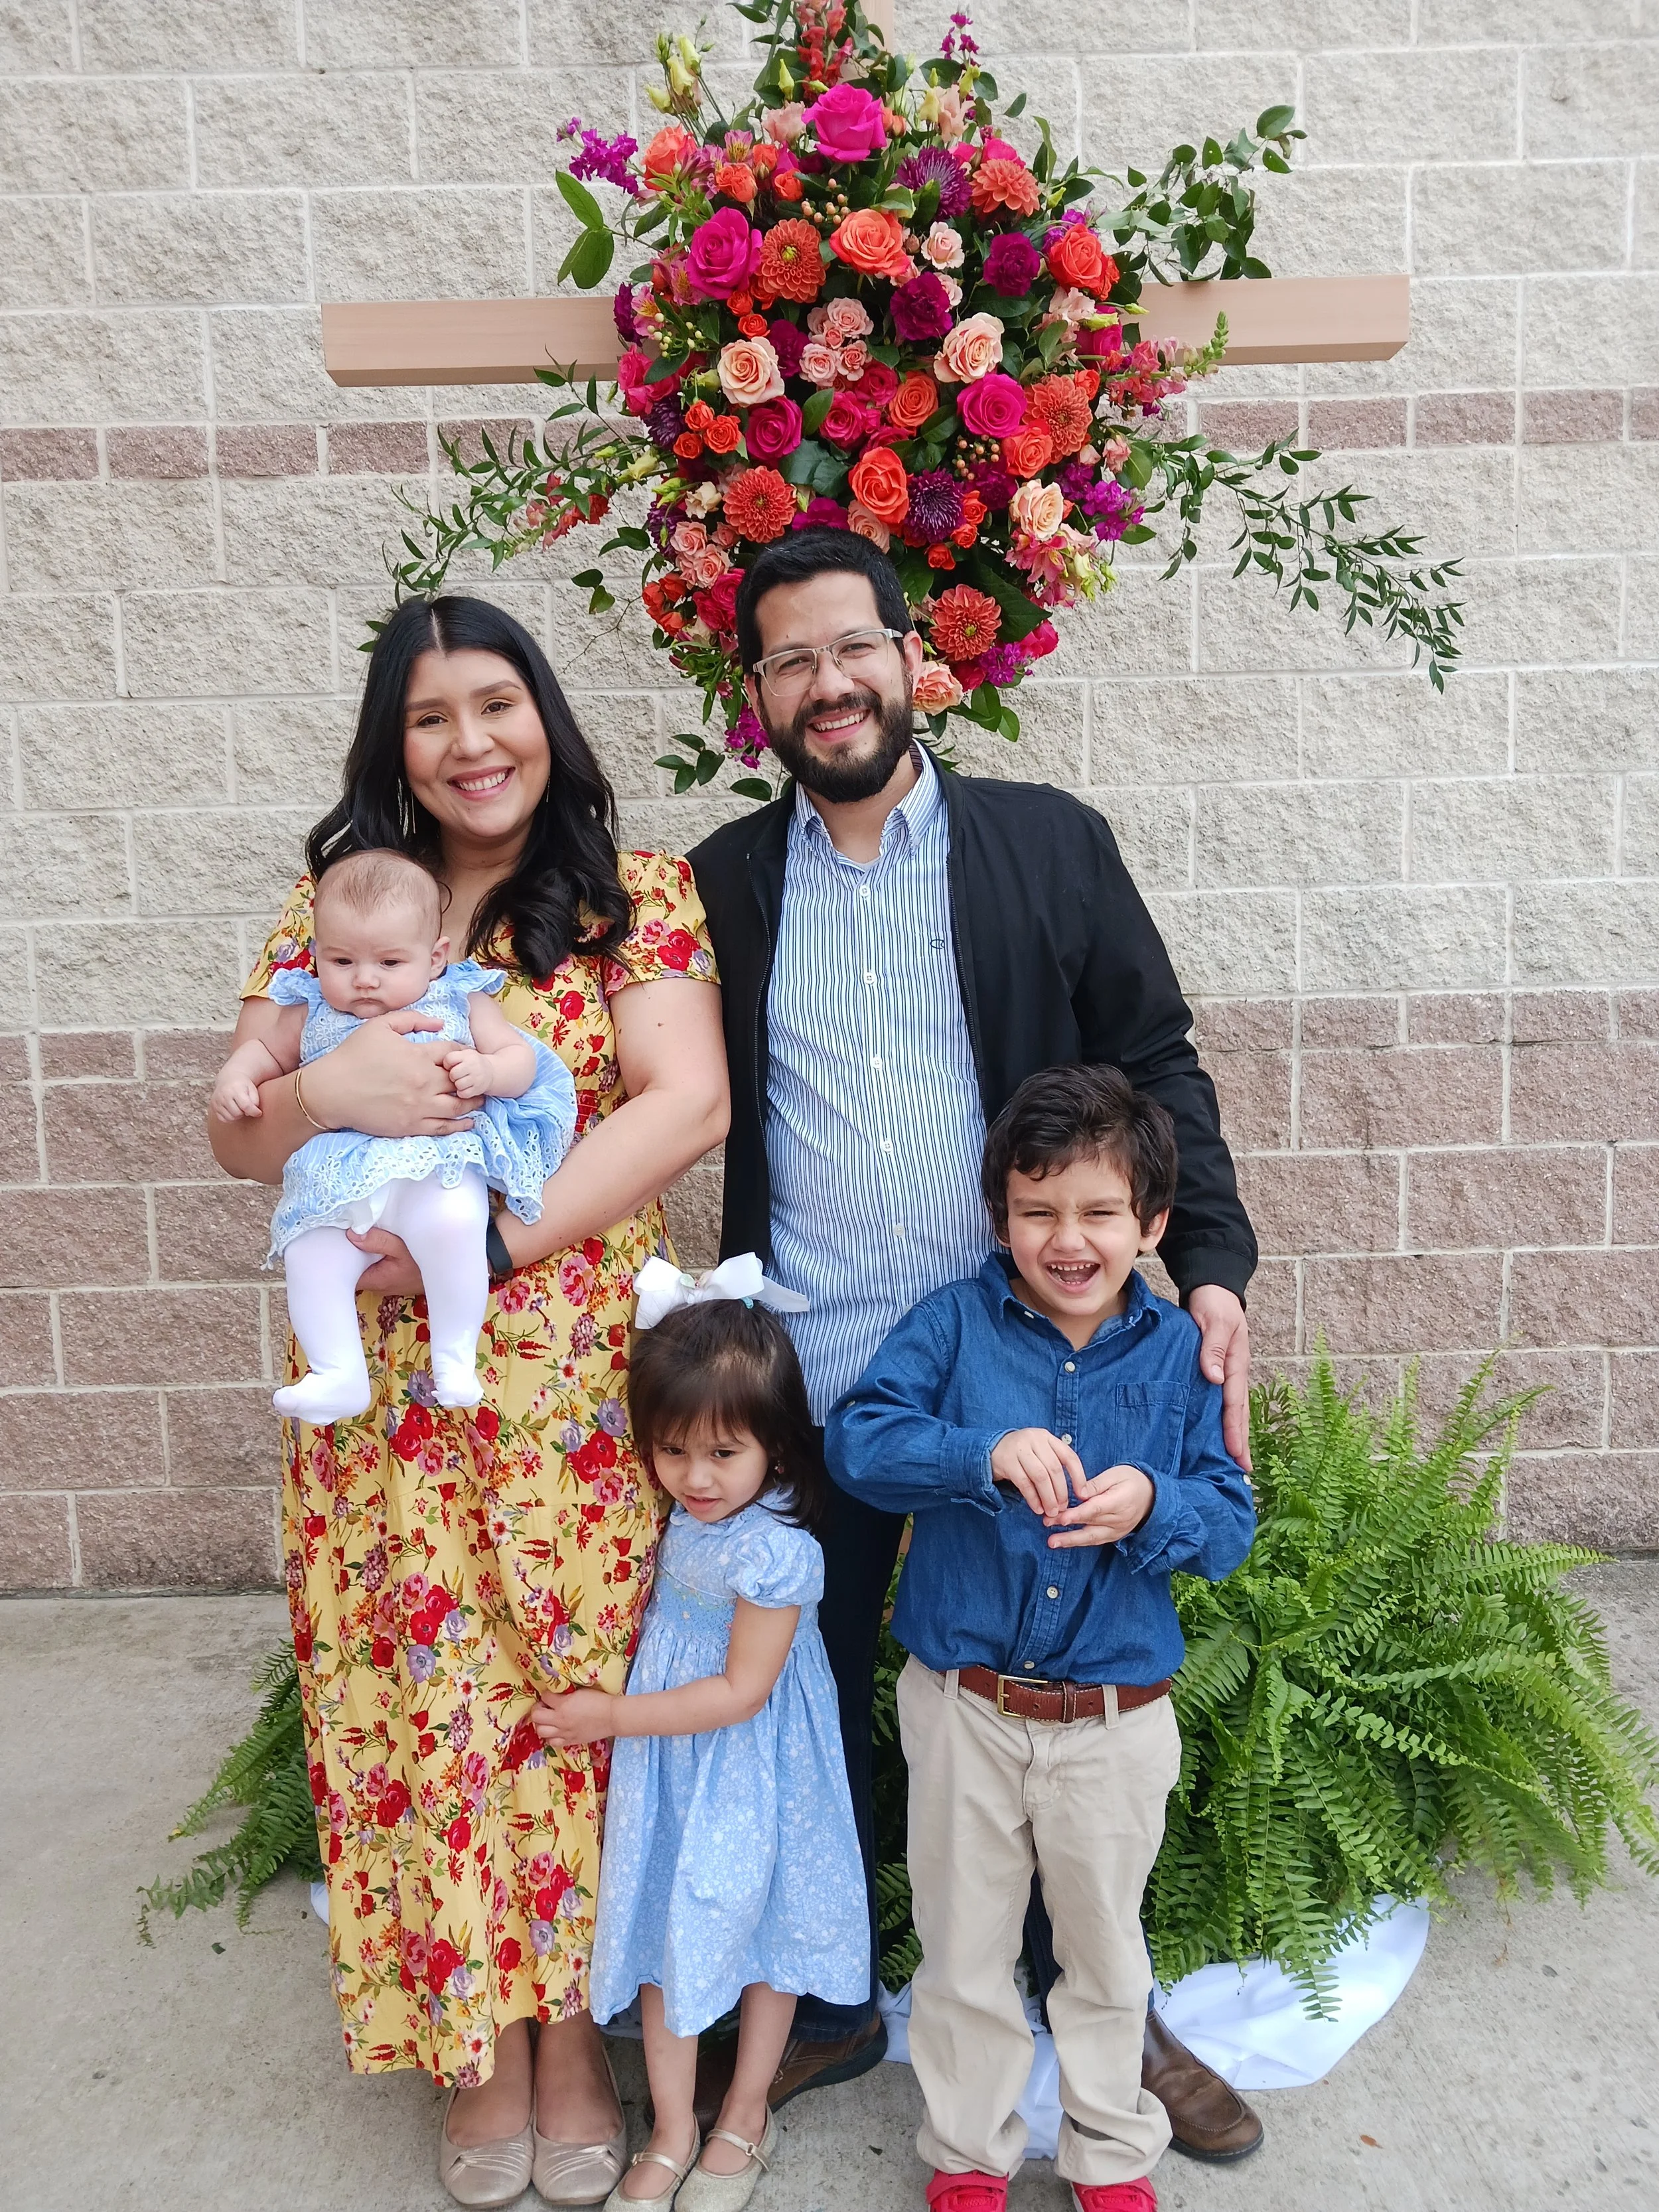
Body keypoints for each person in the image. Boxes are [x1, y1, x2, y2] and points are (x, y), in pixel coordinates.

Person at [685, 528, 1265, 2160]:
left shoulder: (1045, 848)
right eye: (790, 660)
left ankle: (1106, 2009)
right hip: (814, 1390)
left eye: (850, 648)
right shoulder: (725, 883)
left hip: (1027, 1376)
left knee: (1048, 1694)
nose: (828, 684)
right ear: (758, 697)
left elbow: (1155, 1057)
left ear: (912, 658)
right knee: (803, 1697)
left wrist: (1205, 1259)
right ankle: (830, 1995)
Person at [208, 594, 729, 2210]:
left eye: (495, 704)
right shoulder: (334, 910)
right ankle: (474, 2046)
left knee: (565, 1712)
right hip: (380, 1415)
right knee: (420, 1712)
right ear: (397, 747)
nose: (469, 742)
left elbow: (684, 1102)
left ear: (545, 718)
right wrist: (314, 1095)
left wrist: (500, 1241)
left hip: (569, 1395)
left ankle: (573, 2041)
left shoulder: (636, 895)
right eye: (430, 718)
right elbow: (240, 1133)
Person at [826, 1065, 1257, 2212]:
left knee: (1105, 1951)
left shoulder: (1181, 1356)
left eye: (1101, 1212)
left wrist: (1158, 1506)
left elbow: (1229, 1521)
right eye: (1038, 1211)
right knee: (965, 1948)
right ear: (1001, 1215)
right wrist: (979, 1453)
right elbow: (861, 1440)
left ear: (1154, 1225)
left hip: (1115, 1720)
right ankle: (970, 2150)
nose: (1068, 1239)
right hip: (966, 1702)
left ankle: (1110, 2150)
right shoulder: (954, 1325)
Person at [532, 1271, 867, 2212]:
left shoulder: (777, 1549)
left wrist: (608, 1715)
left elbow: (739, 1689)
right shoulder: (677, 1517)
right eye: (672, 1450)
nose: (697, 1475)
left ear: (777, 1444)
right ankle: (674, 2126)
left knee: (763, 1932)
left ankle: (745, 2112)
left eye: (725, 1450)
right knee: (666, 1926)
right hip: (676, 1773)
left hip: (755, 1768)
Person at [211, 847, 577, 1422]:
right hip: (338, 1179)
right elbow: (262, 1051)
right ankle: (337, 1372)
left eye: (388, 962)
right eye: (341, 961)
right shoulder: (308, 1008)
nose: (364, 980)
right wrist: (238, 1076)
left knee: (455, 1227)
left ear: (434, 958)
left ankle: (455, 1354)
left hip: (435, 1167)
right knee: (311, 1255)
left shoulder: (460, 995)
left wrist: (489, 1072)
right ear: (315, 955)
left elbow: (521, 1060)